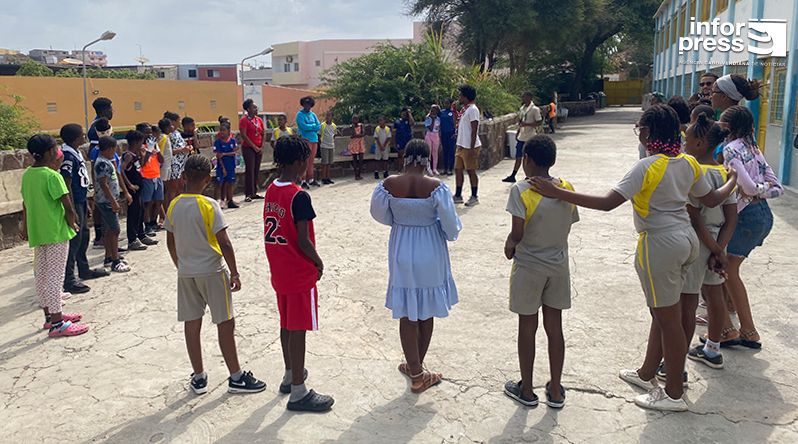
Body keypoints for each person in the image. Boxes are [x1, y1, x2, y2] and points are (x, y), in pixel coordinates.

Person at [529, 104, 736, 412]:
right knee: (664, 313)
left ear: (648, 133)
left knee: (668, 320)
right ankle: (647, 373)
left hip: (660, 245)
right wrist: (733, 179)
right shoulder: (688, 163)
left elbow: (606, 203)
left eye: (640, 129)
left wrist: (558, 192)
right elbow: (713, 198)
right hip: (687, 240)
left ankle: (674, 393)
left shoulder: (647, 167)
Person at [165, 155, 266, 396]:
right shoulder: (209, 205)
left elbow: (170, 241)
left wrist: (180, 265)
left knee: (192, 322)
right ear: (207, 180)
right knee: (225, 322)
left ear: (184, 176)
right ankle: (236, 376)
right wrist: (235, 272)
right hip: (212, 270)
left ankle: (199, 376)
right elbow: (225, 243)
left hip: (186, 272)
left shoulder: (174, 205)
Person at [370, 139, 461, 394]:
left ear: (406, 157)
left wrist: (400, 220)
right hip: (430, 248)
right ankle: (418, 373)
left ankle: (414, 368)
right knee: (426, 310)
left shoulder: (389, 185)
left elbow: (378, 214)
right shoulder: (436, 187)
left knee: (407, 310)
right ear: (427, 157)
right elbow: (451, 226)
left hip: (401, 247)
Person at [503, 135, 578, 408]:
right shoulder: (566, 187)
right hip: (558, 265)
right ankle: (555, 389)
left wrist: (509, 245)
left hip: (529, 267)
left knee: (527, 326)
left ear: (527, 160)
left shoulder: (521, 190)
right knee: (555, 327)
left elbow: (517, 233)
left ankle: (526, 388)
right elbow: (569, 222)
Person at [264, 136, 334, 412]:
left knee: (286, 323)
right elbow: (303, 240)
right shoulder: (299, 196)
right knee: (298, 329)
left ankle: (289, 373)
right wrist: (318, 262)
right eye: (307, 160)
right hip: (298, 270)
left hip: (280, 268)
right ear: (297, 162)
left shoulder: (272, 189)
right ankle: (298, 391)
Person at [711, 105, 783, 350]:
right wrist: (761, 190)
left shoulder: (731, 149)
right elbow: (775, 187)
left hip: (745, 217)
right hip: (762, 215)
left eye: (721, 122)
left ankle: (737, 330)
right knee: (729, 271)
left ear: (728, 126)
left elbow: (748, 188)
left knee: (724, 271)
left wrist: (754, 191)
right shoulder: (753, 148)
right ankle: (739, 329)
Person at [679, 115, 738, 370]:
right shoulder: (724, 173)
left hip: (697, 241)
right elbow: (731, 218)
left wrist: (713, 250)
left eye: (688, 139)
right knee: (714, 294)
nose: (684, 143)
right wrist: (720, 250)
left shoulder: (694, 173)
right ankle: (712, 349)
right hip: (718, 239)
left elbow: (694, 218)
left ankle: (676, 362)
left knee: (688, 300)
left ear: (700, 143)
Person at [21, 134, 88, 337]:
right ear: (51, 152)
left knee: (41, 275)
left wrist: (25, 227)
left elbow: (25, 204)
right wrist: (73, 223)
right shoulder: (52, 176)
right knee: (55, 278)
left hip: (38, 232)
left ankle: (49, 317)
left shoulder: (28, 175)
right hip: (56, 232)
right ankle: (58, 323)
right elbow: (67, 206)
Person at [59, 124, 108, 294]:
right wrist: (72, 209)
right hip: (74, 202)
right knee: (75, 240)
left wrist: (86, 202)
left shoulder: (76, 152)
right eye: (81, 135)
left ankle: (84, 269)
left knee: (84, 236)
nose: (84, 137)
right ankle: (69, 279)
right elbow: (67, 183)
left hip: (81, 199)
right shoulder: (67, 156)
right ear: (74, 139)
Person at [95, 136, 132, 272]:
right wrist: (113, 201)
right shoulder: (102, 163)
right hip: (106, 201)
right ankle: (115, 261)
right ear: (109, 149)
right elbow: (103, 184)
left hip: (108, 200)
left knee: (108, 229)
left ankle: (109, 256)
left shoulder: (106, 161)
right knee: (115, 229)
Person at [121, 130, 158, 251]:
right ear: (136, 142)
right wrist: (129, 185)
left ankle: (141, 235)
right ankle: (132, 239)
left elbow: (141, 165)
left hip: (139, 189)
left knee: (140, 211)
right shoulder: (128, 155)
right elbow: (121, 170)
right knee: (133, 214)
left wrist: (144, 154)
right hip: (133, 190)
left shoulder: (135, 155)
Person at [87, 98, 114, 250]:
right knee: (101, 203)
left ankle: (106, 235)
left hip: (106, 169)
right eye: (110, 108)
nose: (112, 111)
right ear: (104, 110)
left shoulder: (103, 123)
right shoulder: (97, 127)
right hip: (101, 171)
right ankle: (100, 236)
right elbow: (93, 151)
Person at [503, 92, 543, 183]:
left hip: (530, 137)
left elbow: (539, 122)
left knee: (529, 158)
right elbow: (521, 122)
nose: (523, 99)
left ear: (529, 98)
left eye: (525, 97)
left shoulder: (535, 109)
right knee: (518, 157)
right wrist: (518, 131)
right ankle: (513, 175)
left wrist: (527, 124)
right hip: (522, 136)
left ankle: (529, 175)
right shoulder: (522, 109)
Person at [453, 84, 482, 207]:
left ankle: (474, 196)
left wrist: (471, 147)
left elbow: (474, 129)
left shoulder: (473, 110)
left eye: (460, 95)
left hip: (469, 146)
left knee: (471, 170)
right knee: (458, 169)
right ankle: (458, 195)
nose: (459, 98)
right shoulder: (465, 109)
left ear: (466, 97)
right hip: (461, 144)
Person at [138, 123, 165, 237]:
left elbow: (161, 160)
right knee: (147, 203)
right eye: (146, 132)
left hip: (157, 175)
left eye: (150, 132)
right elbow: (142, 163)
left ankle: (154, 222)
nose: (149, 135)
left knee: (159, 200)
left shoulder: (153, 144)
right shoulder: (140, 147)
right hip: (146, 177)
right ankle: (147, 225)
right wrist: (148, 151)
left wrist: (157, 150)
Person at [239, 99, 266, 201]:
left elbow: (263, 133)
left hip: (258, 147)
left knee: (256, 169)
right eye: (253, 107)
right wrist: (254, 147)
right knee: (250, 170)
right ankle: (248, 193)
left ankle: (254, 191)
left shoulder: (259, 120)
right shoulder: (244, 120)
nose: (256, 109)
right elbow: (244, 135)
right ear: (248, 109)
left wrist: (261, 146)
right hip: (248, 148)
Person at [165, 111, 191, 206]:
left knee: (180, 186)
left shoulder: (177, 133)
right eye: (178, 121)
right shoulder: (168, 135)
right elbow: (168, 151)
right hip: (173, 164)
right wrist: (182, 149)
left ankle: (178, 207)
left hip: (181, 164)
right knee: (173, 188)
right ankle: (170, 209)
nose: (180, 122)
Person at [296, 96, 322, 189]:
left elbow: (318, 126)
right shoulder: (300, 114)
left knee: (311, 161)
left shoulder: (313, 115)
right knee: (305, 160)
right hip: (305, 139)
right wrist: (313, 126)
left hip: (314, 139)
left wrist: (311, 126)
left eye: (309, 104)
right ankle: (303, 180)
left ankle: (310, 178)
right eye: (306, 104)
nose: (307, 106)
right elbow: (303, 126)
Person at [214, 122, 239, 209]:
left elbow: (235, 152)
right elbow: (218, 155)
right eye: (220, 130)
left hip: (231, 165)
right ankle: (220, 200)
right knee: (220, 183)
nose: (222, 132)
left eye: (224, 130)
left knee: (230, 183)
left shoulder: (232, 141)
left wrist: (225, 154)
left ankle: (230, 200)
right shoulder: (218, 142)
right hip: (222, 166)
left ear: (228, 131)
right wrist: (223, 168)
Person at [439, 100, 457, 176]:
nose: (446, 104)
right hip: (443, 134)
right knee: (445, 151)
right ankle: (445, 168)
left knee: (451, 152)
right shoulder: (441, 112)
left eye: (448, 103)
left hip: (451, 134)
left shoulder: (453, 112)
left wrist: (455, 132)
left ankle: (450, 169)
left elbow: (456, 123)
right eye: (445, 103)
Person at [319, 112, 337, 184]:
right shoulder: (322, 125)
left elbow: (334, 135)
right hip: (324, 146)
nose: (327, 117)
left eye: (329, 115)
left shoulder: (334, 126)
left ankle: (328, 177)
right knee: (324, 163)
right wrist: (321, 143)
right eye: (327, 115)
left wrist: (332, 141)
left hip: (331, 146)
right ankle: (323, 178)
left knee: (329, 163)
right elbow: (319, 135)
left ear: (332, 117)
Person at [424, 105, 442, 176]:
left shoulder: (439, 118)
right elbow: (430, 128)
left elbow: (439, 128)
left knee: (435, 152)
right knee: (429, 152)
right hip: (429, 135)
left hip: (436, 135)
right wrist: (432, 119)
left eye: (434, 110)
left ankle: (434, 168)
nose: (433, 111)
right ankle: (428, 169)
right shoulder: (428, 118)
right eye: (432, 110)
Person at [348, 115, 366, 180]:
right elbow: (352, 135)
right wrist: (358, 135)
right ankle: (356, 175)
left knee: (361, 159)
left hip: (361, 144)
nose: (355, 121)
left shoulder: (361, 125)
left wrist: (356, 135)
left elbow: (363, 134)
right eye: (353, 119)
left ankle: (359, 174)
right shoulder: (351, 126)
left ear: (358, 119)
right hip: (354, 144)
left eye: (356, 119)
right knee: (355, 160)